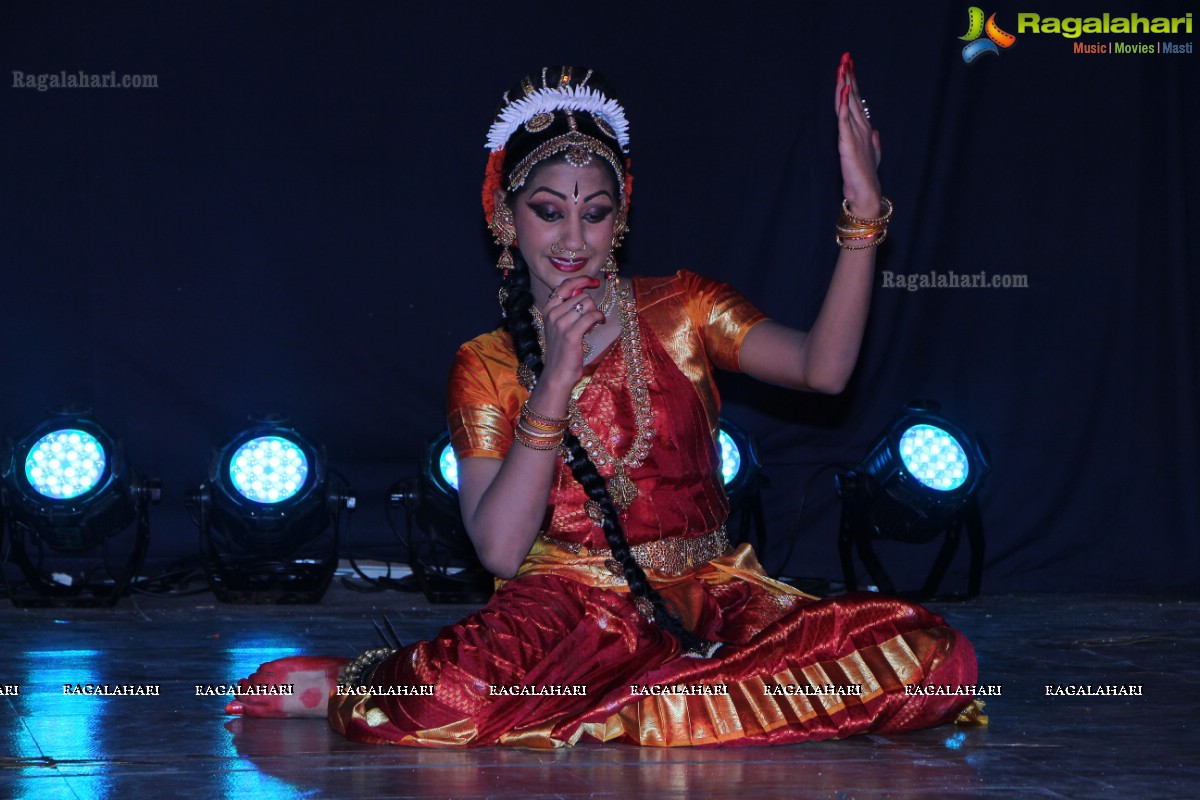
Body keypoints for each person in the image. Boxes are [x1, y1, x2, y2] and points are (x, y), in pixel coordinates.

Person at [228, 58, 984, 747]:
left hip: (715, 599)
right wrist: (553, 381)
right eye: (549, 211)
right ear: (504, 217)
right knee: (436, 705)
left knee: (931, 658)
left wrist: (863, 213)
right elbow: (496, 549)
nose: (573, 238)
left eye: (594, 212)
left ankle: (627, 703)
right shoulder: (487, 364)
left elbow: (824, 370)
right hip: (569, 610)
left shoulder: (683, 306)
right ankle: (627, 698)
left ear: (619, 218)